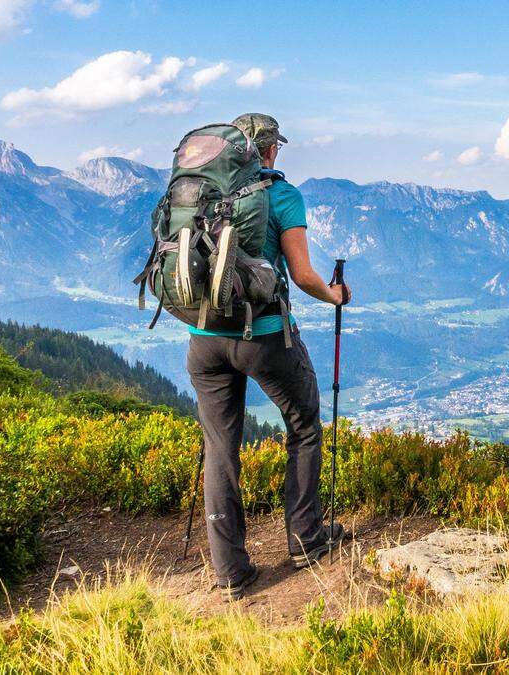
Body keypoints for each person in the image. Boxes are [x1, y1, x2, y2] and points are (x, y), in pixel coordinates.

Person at [187, 113, 350, 600]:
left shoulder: (201, 193)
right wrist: (335, 296)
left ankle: (230, 571)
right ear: (270, 150)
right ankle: (305, 540)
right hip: (262, 336)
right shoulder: (281, 195)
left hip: (203, 337)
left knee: (220, 447)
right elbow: (301, 275)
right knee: (303, 425)